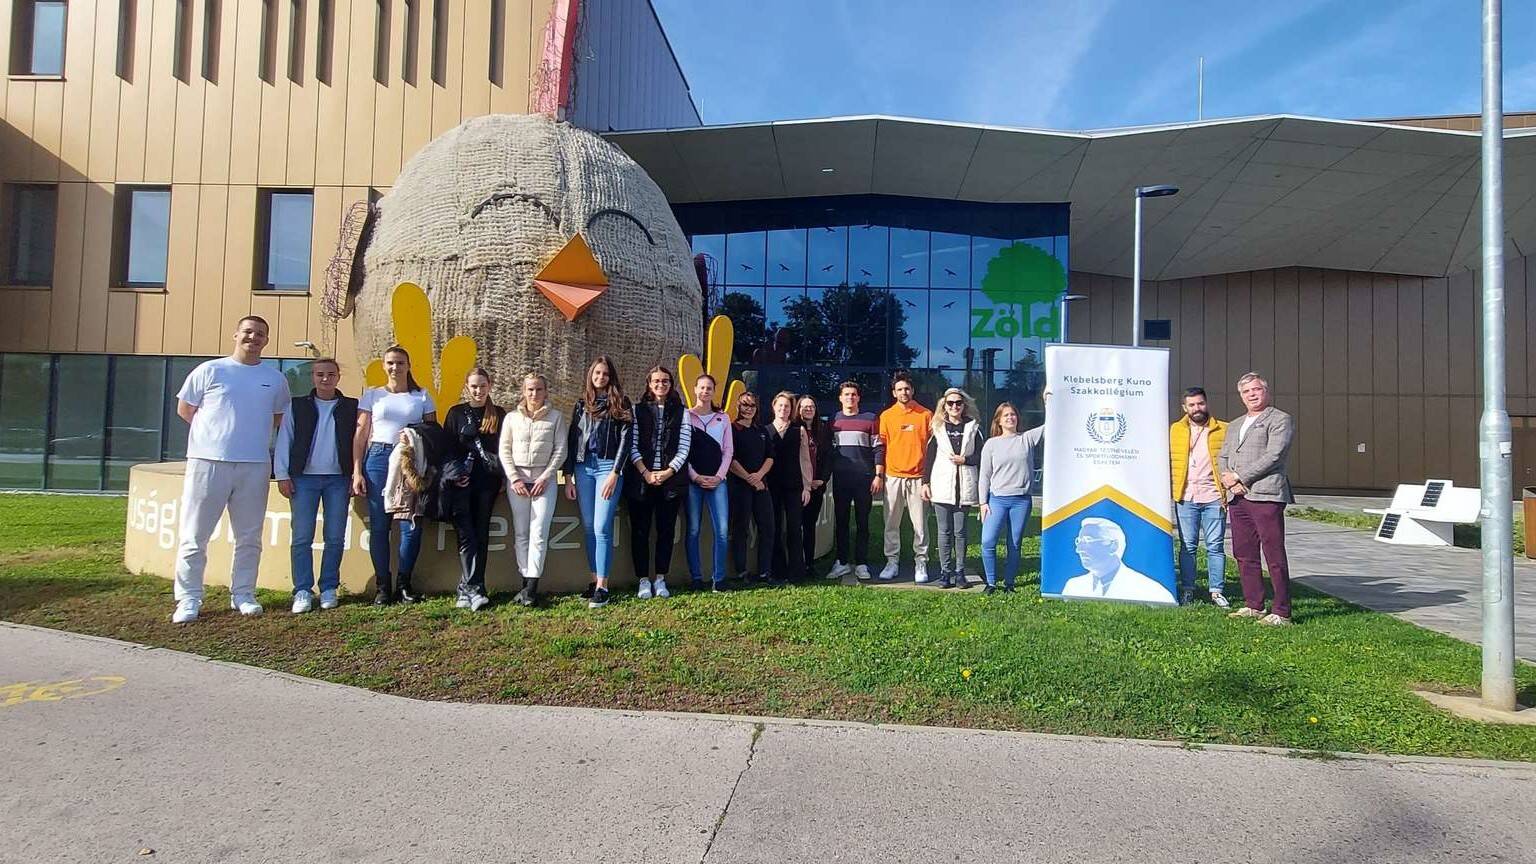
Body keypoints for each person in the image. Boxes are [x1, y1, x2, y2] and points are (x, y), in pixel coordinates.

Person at [169, 315, 291, 624]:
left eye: (260, 334)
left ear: (266, 340)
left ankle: (243, 594)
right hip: (207, 462)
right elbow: (186, 410)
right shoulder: (210, 370)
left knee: (249, 537)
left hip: (254, 464)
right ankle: (189, 599)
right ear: (236, 335)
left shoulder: (275, 378)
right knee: (195, 535)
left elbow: (278, 418)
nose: (254, 337)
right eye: (248, 332)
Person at [353, 345, 437, 605]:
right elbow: (361, 433)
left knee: (410, 525)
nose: (395, 367)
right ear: (384, 366)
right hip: (378, 458)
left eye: (400, 363)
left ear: (408, 366)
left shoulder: (421, 396)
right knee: (380, 526)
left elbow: (433, 432)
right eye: (390, 363)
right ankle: (382, 585)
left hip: (409, 459)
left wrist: (414, 434)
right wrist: (357, 470)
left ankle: (404, 583)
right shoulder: (372, 395)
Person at [274, 358, 357, 614]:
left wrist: (356, 474)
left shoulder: (351, 407)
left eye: (330, 374)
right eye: (320, 374)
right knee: (301, 537)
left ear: (338, 377)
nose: (325, 379)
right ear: (313, 376)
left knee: (334, 537)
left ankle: (329, 587)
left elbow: (359, 441)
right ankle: (302, 589)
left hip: (338, 479)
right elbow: (284, 439)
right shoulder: (297, 406)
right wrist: (282, 474)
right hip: (303, 479)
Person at [1217, 371, 1296, 625]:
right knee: (1244, 552)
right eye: (1246, 391)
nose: (1252, 394)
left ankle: (1281, 611)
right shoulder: (1236, 424)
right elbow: (1223, 456)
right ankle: (1254, 604)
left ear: (1266, 391)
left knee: (1273, 554)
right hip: (1238, 498)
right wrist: (1228, 479)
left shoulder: (1280, 419)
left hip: (1266, 495)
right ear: (1241, 396)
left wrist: (1240, 477)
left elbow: (1274, 455)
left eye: (1256, 389)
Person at [564, 356, 633, 610]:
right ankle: (594, 581)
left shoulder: (621, 403)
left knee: (602, 526)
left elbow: (627, 439)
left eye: (605, 374)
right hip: (584, 467)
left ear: (610, 376)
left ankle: (604, 586)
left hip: (607, 467)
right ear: (591, 376)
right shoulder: (582, 404)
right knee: (590, 526)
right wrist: (568, 475)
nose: (601, 377)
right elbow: (574, 438)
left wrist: (616, 472)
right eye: (597, 373)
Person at [499, 372, 567, 607]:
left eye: (538, 389)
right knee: (521, 533)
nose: (534, 394)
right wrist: (514, 478)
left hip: (543, 480)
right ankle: (525, 579)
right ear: (523, 391)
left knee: (539, 532)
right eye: (530, 389)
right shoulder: (511, 419)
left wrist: (547, 476)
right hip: (517, 479)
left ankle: (532, 587)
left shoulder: (556, 418)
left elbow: (560, 450)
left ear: (545, 392)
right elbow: (504, 450)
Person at [443, 368, 506, 611]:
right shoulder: (456, 413)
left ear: (490, 386)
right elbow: (447, 449)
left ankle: (473, 588)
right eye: (474, 386)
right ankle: (471, 587)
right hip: (462, 483)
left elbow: (504, 449)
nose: (478, 390)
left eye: (482, 386)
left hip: (486, 483)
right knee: (465, 535)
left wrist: (503, 478)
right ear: (466, 387)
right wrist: (455, 475)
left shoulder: (498, 414)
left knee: (480, 534)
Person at [627, 365, 692, 600]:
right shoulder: (637, 410)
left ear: (671, 384)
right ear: (649, 384)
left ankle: (661, 578)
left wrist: (667, 472)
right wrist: (645, 472)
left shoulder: (682, 412)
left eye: (665, 381)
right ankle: (643, 580)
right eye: (656, 381)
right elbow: (632, 445)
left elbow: (684, 447)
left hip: (670, 483)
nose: (661, 385)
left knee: (665, 532)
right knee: (640, 532)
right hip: (641, 481)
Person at [1169, 387, 1230, 607]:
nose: (1197, 408)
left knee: (1215, 545)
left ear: (1207, 404)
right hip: (1185, 497)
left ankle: (1216, 590)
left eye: (1200, 403)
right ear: (1184, 408)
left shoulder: (1223, 429)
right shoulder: (1175, 430)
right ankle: (1188, 589)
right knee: (1188, 546)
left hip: (1214, 497)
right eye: (1192, 405)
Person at [977, 402, 1043, 594]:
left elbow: (1051, 425)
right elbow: (985, 475)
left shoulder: (1027, 439)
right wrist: (982, 503)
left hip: (1021, 501)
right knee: (988, 541)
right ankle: (990, 583)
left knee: (1014, 543)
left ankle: (1009, 583)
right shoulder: (991, 444)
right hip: (997, 499)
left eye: (1013, 414)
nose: (1010, 418)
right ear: (998, 420)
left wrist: (1048, 398)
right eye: (1005, 415)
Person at [922, 387, 983, 590]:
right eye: (950, 403)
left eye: (958, 403)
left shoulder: (973, 428)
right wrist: (925, 483)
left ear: (964, 405)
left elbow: (982, 457)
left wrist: (965, 459)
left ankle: (960, 572)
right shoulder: (937, 428)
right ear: (944, 406)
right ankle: (945, 572)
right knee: (944, 531)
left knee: (960, 532)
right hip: (942, 487)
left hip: (964, 486)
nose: (954, 406)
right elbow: (928, 458)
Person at [878, 371, 933, 581]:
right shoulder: (887, 416)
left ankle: (921, 563)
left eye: (907, 389)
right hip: (893, 477)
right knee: (891, 522)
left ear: (913, 391)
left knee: (920, 523)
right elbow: (881, 448)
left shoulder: (925, 415)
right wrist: (880, 474)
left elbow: (933, 447)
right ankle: (892, 562)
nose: (904, 392)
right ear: (894, 392)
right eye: (900, 389)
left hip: (918, 477)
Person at [826, 381, 882, 581]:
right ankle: (841, 562)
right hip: (841, 480)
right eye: (846, 394)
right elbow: (829, 451)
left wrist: (878, 475)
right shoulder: (833, 421)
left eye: (854, 394)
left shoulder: (870, 419)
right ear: (840, 398)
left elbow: (878, 448)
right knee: (840, 522)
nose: (850, 398)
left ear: (859, 398)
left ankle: (861, 563)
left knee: (863, 522)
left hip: (864, 479)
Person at [685, 374, 733, 591]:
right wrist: (694, 476)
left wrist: (719, 477)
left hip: (718, 482)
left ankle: (718, 579)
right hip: (692, 481)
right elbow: (681, 451)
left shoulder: (723, 419)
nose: (705, 391)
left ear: (714, 392)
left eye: (709, 388)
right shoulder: (685, 417)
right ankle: (696, 577)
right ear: (695, 389)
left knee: (722, 530)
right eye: (702, 387)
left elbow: (728, 451)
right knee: (693, 529)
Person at [1061, 518, 1176, 603]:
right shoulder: (1073, 587)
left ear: (1113, 546)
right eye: (1079, 542)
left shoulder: (1151, 592)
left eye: (1088, 541)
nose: (1079, 549)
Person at [766, 392, 813, 585]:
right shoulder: (765, 430)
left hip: (794, 486)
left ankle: (796, 573)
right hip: (772, 487)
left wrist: (807, 486)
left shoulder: (798, 430)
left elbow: (805, 459)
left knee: (795, 528)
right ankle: (778, 571)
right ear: (774, 407)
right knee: (775, 528)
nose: (783, 409)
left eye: (787, 406)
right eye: (780, 406)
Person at [727, 392, 775, 584]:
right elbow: (730, 459)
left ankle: (764, 572)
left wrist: (759, 476)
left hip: (761, 485)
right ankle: (741, 572)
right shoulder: (732, 429)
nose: (748, 409)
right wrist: (749, 478)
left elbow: (770, 457)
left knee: (768, 527)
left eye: (752, 406)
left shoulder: (761, 430)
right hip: (740, 485)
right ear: (738, 407)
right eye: (745, 405)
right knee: (741, 529)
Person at [797, 395, 833, 580]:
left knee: (809, 526)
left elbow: (828, 457)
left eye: (811, 406)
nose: (808, 409)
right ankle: (796, 564)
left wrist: (822, 479)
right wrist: (804, 481)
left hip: (817, 486)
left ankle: (810, 564)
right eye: (804, 407)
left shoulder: (823, 431)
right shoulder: (794, 429)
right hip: (798, 487)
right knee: (795, 527)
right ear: (798, 410)